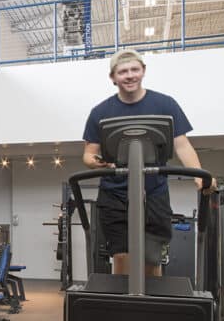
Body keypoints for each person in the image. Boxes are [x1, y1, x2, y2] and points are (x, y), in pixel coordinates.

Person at [81, 49, 215, 277]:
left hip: (153, 191)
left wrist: (199, 175)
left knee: (152, 257)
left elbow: (182, 146)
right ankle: (124, 309)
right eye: (123, 71)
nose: (130, 75)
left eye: (134, 69)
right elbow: (88, 154)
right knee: (122, 256)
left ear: (143, 71)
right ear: (113, 77)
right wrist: (99, 164)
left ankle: (152, 309)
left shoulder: (165, 104)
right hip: (115, 193)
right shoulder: (100, 112)